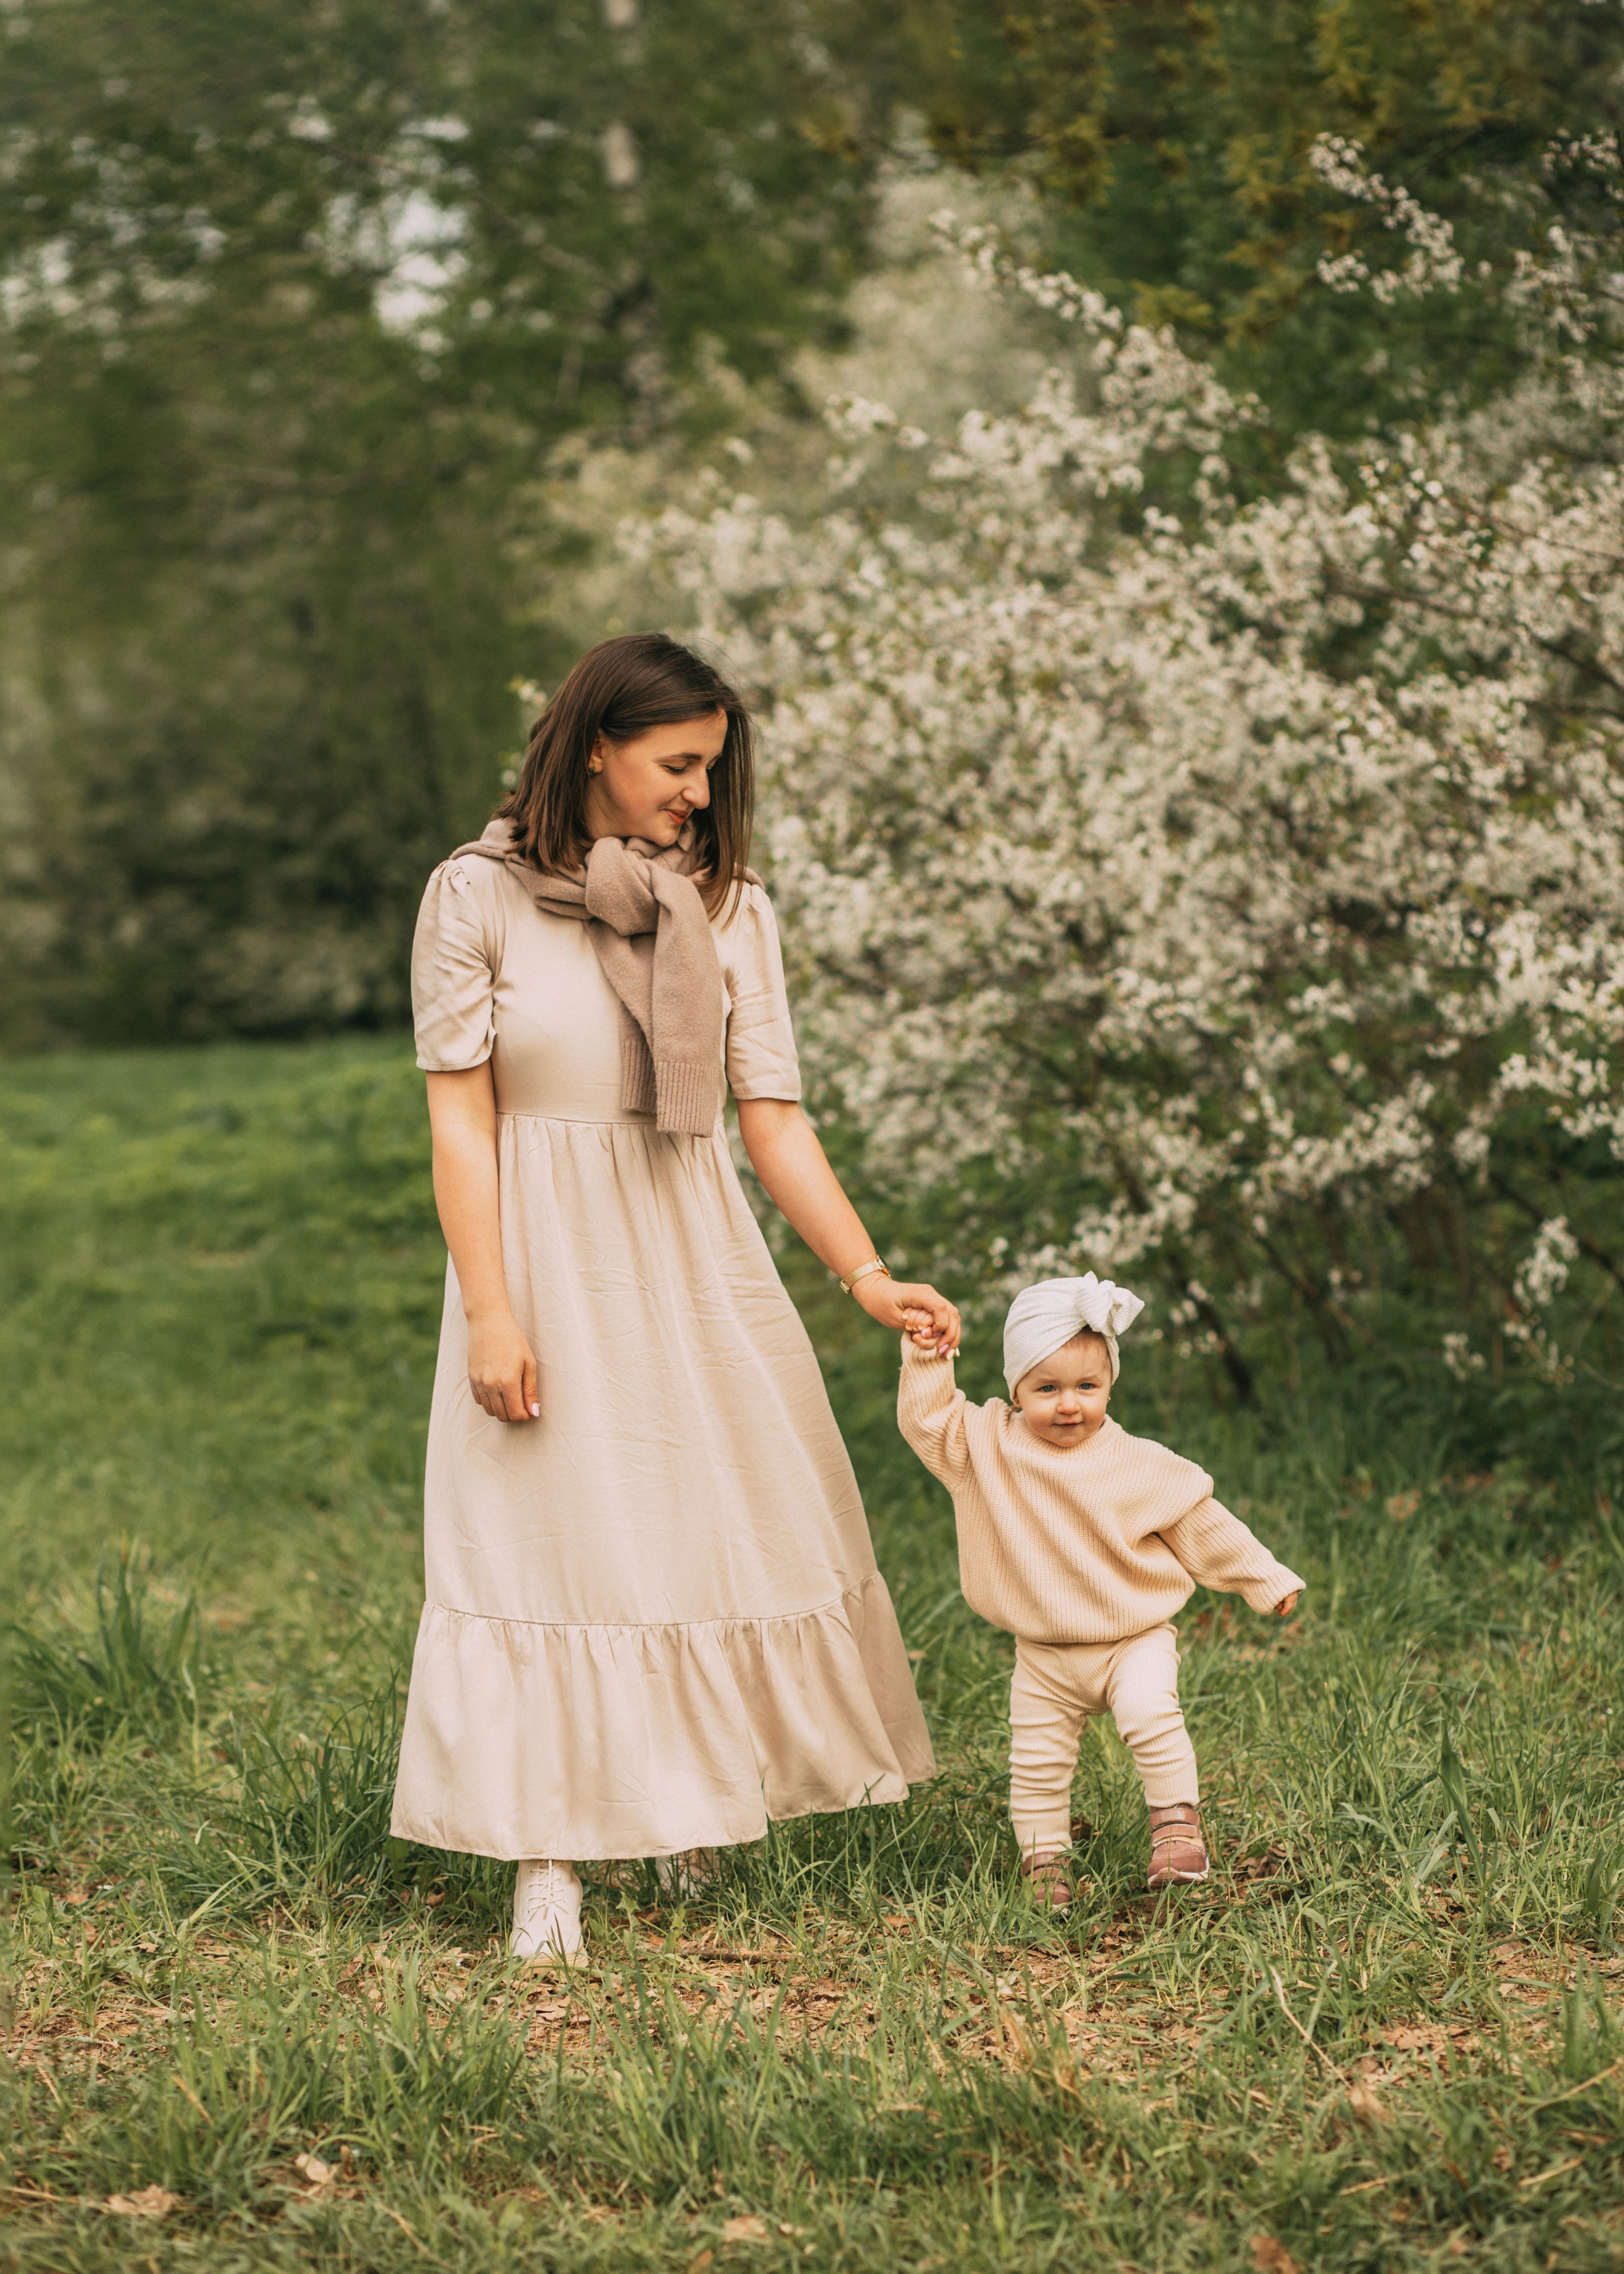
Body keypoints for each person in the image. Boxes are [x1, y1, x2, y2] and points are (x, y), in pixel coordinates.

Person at [390, 632, 957, 1965]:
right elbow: (461, 1126)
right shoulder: (473, 895)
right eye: (676, 764)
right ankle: (549, 1857)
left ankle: (691, 1798)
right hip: (543, 1252)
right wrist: (490, 1307)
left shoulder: (729, 906)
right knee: (545, 1538)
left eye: (710, 768)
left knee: (705, 1521)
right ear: (595, 744)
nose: (697, 793)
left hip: (691, 1244)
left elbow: (773, 1118)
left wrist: (865, 1274)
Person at [896, 1273, 1303, 1904]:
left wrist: (1263, 1576)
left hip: (1133, 1635)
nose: (1068, 1403)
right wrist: (927, 1354)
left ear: (1109, 1382)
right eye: (1046, 1387)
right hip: (1045, 1649)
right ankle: (1044, 1862)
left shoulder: (1140, 1462)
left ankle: (1175, 1826)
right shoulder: (985, 1447)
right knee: (1036, 1761)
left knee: (1149, 1714)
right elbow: (927, 1420)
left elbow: (1202, 1524)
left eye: (1087, 1386)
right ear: (1015, 1387)